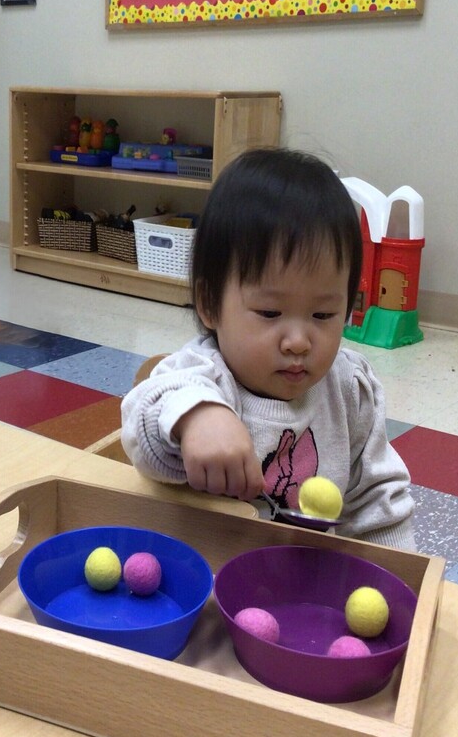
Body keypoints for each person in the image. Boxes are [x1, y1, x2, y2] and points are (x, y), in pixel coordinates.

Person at [121, 148, 416, 550]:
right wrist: (197, 418)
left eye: (324, 314)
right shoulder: (203, 375)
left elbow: (378, 502)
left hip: (299, 588)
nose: (298, 341)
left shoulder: (349, 390)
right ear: (209, 303)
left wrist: (396, 575)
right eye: (270, 311)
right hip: (206, 573)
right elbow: (143, 427)